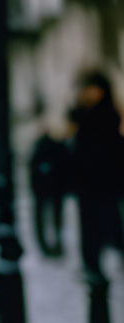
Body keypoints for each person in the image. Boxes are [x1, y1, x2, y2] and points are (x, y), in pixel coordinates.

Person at [69, 69, 124, 283]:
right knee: (89, 227)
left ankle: (109, 257)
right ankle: (92, 266)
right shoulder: (81, 116)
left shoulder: (106, 116)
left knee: (110, 221)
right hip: (87, 183)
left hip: (105, 181)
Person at [28, 123, 70, 258]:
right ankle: (52, 245)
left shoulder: (41, 147)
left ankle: (49, 245)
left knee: (47, 218)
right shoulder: (56, 147)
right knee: (54, 217)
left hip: (48, 189)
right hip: (52, 189)